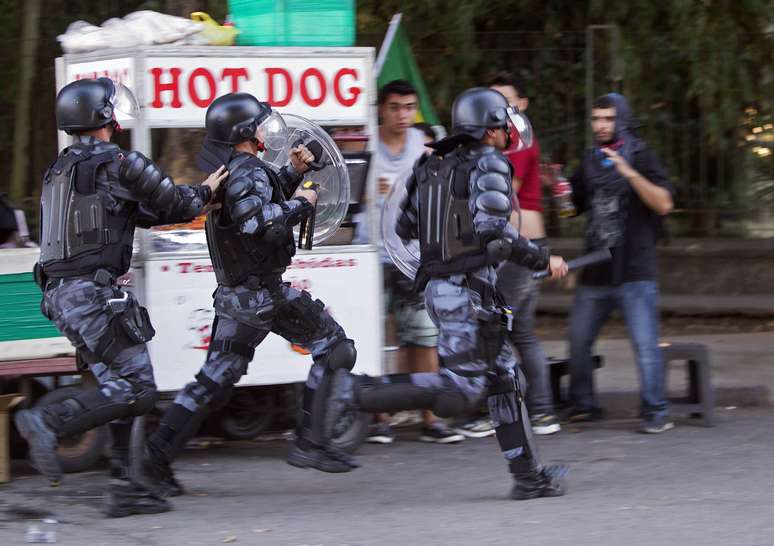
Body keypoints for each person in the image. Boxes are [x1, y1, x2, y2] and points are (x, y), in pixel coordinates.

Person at [331, 87, 571, 500]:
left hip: (453, 289)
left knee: (503, 377)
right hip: (467, 292)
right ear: (491, 128)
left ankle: (527, 477)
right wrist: (540, 259)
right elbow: (495, 233)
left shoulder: (433, 164)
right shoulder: (490, 162)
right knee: (461, 388)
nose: (504, 134)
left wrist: (451, 237)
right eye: (500, 125)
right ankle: (352, 391)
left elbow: (405, 227)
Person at [13, 78, 226, 517]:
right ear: (103, 117)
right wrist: (207, 191)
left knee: (120, 386)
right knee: (136, 388)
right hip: (90, 294)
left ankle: (128, 488)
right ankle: (48, 422)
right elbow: (176, 204)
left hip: (60, 297)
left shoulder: (59, 169)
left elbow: (133, 214)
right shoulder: (120, 162)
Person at [131, 93, 359, 495]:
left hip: (239, 297)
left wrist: (291, 171)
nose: (264, 130)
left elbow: (251, 209)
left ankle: (153, 461)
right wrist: (303, 203)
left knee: (214, 382)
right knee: (335, 346)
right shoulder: (248, 170)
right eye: (258, 124)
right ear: (243, 133)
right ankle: (310, 443)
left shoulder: (235, 169)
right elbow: (261, 225)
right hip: (262, 295)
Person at [357, 80, 462, 444]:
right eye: (395, 107)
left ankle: (431, 418)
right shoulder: (365, 141)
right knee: (372, 338)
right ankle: (379, 418)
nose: (403, 115)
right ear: (381, 110)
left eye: (409, 108)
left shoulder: (424, 145)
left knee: (423, 338)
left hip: (412, 256)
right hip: (369, 254)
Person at [565, 93, 675, 433]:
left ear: (622, 121)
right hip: (596, 268)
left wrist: (629, 173)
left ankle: (655, 411)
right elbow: (573, 209)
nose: (601, 125)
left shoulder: (642, 156)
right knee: (578, 340)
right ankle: (584, 405)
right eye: (596, 119)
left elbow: (664, 204)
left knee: (644, 345)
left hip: (634, 269)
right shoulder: (589, 161)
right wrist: (560, 195)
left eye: (608, 119)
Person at [489, 71, 560, 435]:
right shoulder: (510, 137)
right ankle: (542, 411)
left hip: (520, 250)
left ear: (523, 104)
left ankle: (501, 409)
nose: (500, 107)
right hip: (522, 247)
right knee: (522, 332)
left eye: (507, 100)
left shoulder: (520, 139)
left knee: (494, 327)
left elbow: (501, 192)